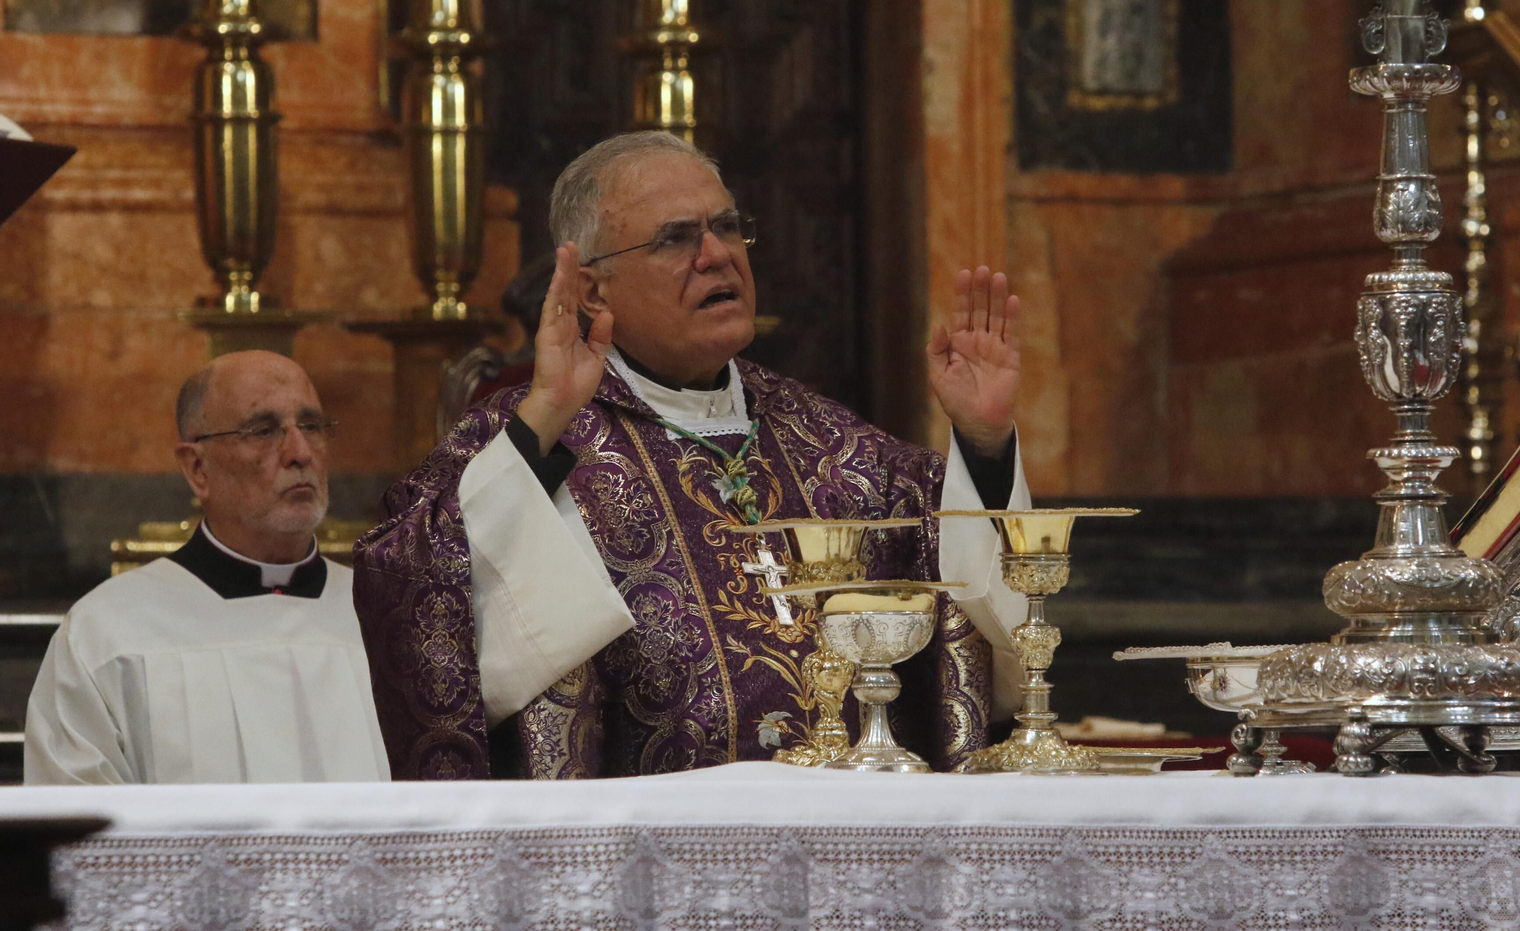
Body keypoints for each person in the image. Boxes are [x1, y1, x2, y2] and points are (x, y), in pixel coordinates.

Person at [355, 131, 1031, 779]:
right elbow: (412, 586)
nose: (717, 255)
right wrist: (543, 419)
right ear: (591, 289)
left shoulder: (831, 443)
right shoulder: (533, 436)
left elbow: (971, 605)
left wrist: (983, 444)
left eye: (728, 227)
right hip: (640, 862)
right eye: (676, 238)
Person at [25, 352, 389, 784]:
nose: (300, 452)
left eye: (311, 425)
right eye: (264, 430)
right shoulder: (106, 636)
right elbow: (78, 833)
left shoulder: (390, 617)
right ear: (197, 469)